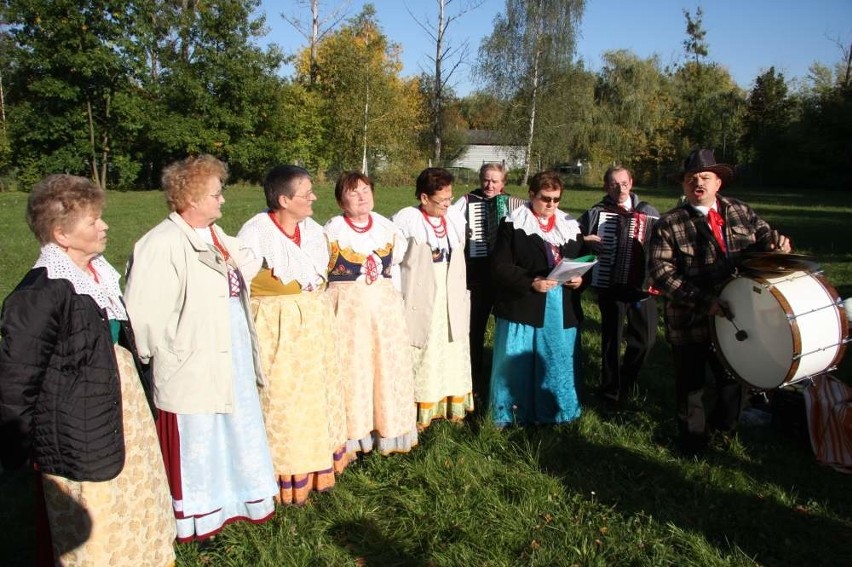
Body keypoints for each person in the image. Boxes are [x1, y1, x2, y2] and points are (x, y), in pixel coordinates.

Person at [0, 174, 175, 565]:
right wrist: (15, 451)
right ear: (61, 234)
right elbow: (16, 379)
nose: (104, 226)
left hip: (120, 408)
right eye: (93, 221)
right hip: (80, 426)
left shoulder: (98, 275)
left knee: (135, 499)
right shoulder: (40, 293)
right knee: (100, 520)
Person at [124, 155, 277, 541]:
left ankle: (239, 501)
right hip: (191, 359)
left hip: (231, 351)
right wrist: (162, 359)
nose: (223, 199)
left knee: (234, 427)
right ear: (190, 199)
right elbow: (144, 313)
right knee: (200, 437)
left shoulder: (216, 236)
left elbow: (245, 262)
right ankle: (199, 518)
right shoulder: (162, 244)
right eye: (216, 193)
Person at [649, 149, 792, 454]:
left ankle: (723, 431)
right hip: (689, 315)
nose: (697, 183)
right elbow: (661, 273)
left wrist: (779, 246)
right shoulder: (668, 223)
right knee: (691, 382)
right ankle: (692, 441)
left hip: (739, 314)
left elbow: (766, 238)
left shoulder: (740, 211)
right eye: (690, 179)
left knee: (735, 378)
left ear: (718, 183)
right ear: (683, 186)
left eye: (704, 177)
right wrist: (704, 301)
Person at [237, 165, 350, 504]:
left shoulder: (314, 231)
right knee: (284, 400)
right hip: (278, 332)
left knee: (316, 396)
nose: (314, 197)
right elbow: (239, 283)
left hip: (314, 327)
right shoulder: (255, 233)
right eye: (306, 193)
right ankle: (284, 476)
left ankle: (318, 471)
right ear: (284, 199)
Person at [324, 171, 418, 455]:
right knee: (354, 372)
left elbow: (396, 271)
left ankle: (387, 432)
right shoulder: (331, 232)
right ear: (341, 201)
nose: (362, 196)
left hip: (384, 315)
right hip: (348, 318)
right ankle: (353, 437)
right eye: (354, 192)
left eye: (366, 190)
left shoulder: (388, 229)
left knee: (385, 370)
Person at [489, 170, 588, 426]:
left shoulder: (569, 225)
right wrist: (531, 282)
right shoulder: (513, 224)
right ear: (531, 195)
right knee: (517, 364)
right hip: (524, 305)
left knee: (556, 359)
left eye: (556, 199)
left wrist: (580, 279)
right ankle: (511, 415)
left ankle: (557, 413)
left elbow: (581, 258)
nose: (551, 205)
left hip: (560, 307)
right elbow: (499, 267)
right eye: (546, 199)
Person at [392, 167, 474, 427]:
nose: (448, 205)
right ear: (424, 198)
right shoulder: (407, 221)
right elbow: (394, 263)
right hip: (421, 295)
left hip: (451, 293)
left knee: (452, 349)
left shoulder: (454, 221)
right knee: (424, 351)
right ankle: (420, 413)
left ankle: (453, 407)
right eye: (442, 200)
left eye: (450, 198)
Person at [578, 166, 660, 406]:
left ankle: (628, 379)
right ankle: (610, 390)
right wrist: (585, 240)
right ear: (606, 186)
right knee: (611, 339)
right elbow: (573, 237)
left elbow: (662, 243)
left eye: (624, 183)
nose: (620, 188)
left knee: (646, 340)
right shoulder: (596, 213)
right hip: (609, 284)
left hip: (642, 287)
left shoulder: (648, 211)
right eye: (614, 184)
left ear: (631, 183)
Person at [451, 163, 525, 407]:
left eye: (495, 181)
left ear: (503, 183)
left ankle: (505, 377)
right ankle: (472, 377)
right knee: (475, 326)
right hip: (478, 272)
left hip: (505, 275)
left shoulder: (515, 204)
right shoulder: (467, 202)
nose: (489, 185)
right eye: (485, 180)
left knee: (507, 326)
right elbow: (450, 224)